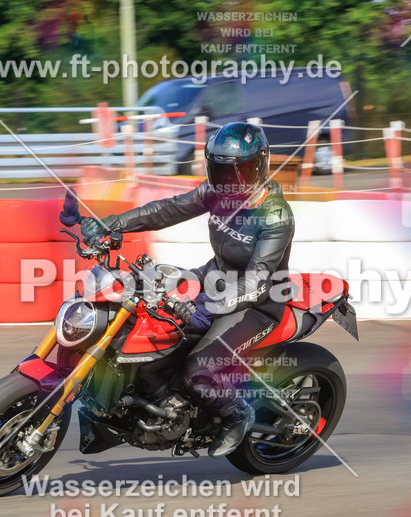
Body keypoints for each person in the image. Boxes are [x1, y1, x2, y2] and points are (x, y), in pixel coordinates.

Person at [81, 121, 295, 457]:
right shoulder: (216, 193)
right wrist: (110, 224)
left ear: (260, 165)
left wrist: (208, 306)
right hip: (212, 278)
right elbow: (168, 209)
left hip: (258, 304)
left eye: (239, 171)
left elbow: (257, 280)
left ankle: (237, 414)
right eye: (221, 171)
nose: (229, 181)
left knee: (199, 370)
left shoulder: (275, 216)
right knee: (145, 323)